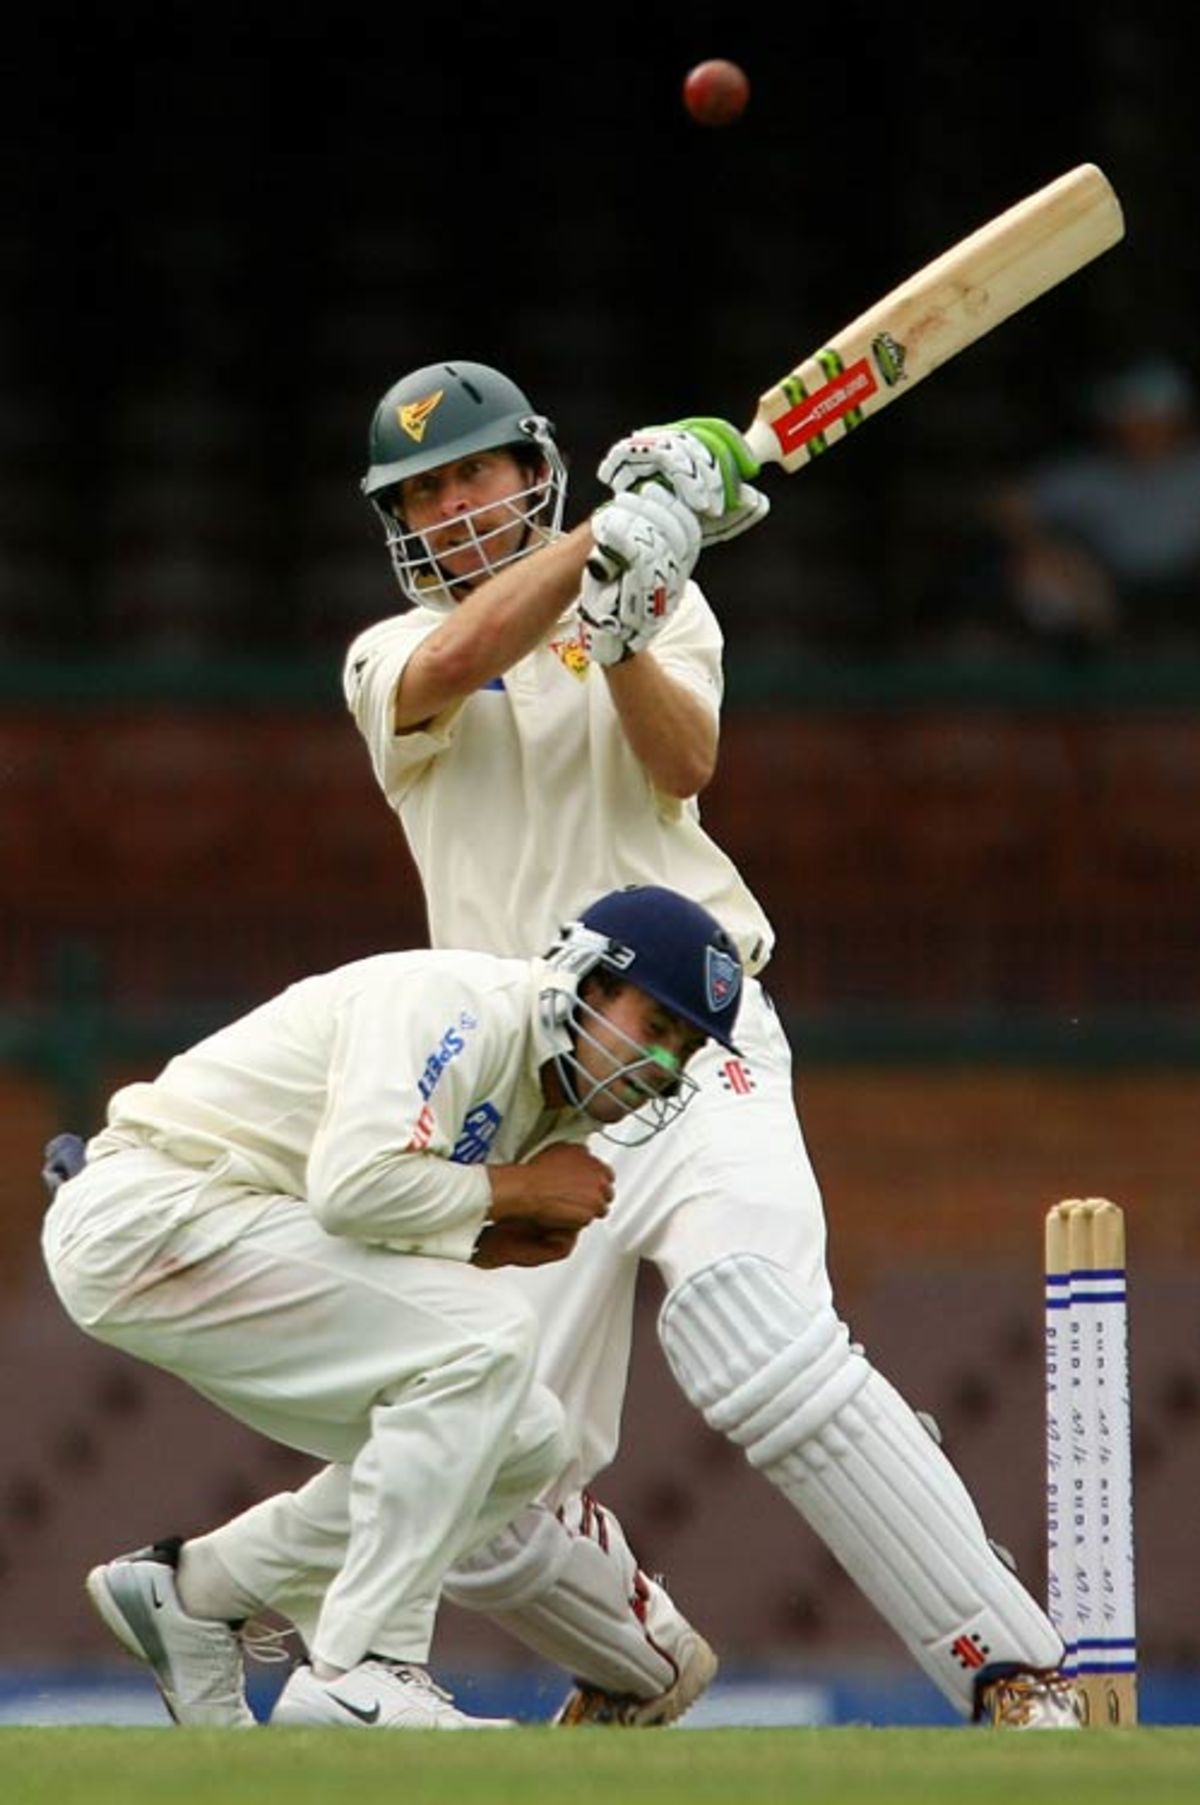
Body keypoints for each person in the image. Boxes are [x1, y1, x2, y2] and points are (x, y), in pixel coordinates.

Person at [76, 361, 1080, 1732]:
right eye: (419, 490)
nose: (449, 504)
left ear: (531, 467)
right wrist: (599, 547)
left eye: (470, 473)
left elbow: (684, 767)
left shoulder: (661, 583)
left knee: (756, 1334)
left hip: (688, 1040)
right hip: (519, 1087)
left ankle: (1011, 1671)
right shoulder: (384, 655)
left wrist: (621, 626)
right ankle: (603, 1661)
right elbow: (455, 660)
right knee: (483, 1460)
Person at [41, 883, 744, 1729]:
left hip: (208, 1227)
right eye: (655, 1027)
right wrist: (508, 1189)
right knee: (486, 1339)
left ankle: (196, 1592)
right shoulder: (463, 1007)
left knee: (525, 1439)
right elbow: (350, 1187)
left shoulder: (552, 1102)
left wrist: (485, 1237)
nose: (663, 1067)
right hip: (150, 1208)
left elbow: (358, 1226)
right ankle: (361, 1665)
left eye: (685, 1049)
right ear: (589, 985)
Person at [940, 354, 1200, 660]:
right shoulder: (1091, 472)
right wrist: (1038, 545)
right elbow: (1008, 500)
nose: (1140, 427)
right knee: (1038, 569)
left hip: (1189, 588)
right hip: (1109, 597)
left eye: (1150, 416)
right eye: (1131, 416)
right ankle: (1084, 674)